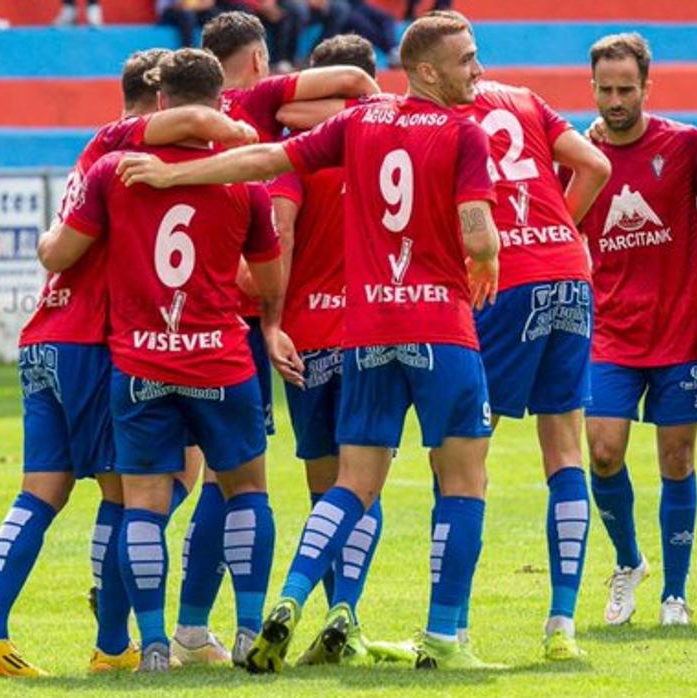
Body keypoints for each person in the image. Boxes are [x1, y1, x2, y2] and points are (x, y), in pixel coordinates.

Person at [118, 13, 503, 672]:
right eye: (467, 59)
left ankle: (291, 598)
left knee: (349, 485)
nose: (478, 70)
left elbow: (268, 157)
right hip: (440, 326)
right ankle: (443, 637)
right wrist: (488, 255)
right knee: (464, 479)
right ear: (428, 71)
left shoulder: (358, 125)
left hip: (368, 331)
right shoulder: (464, 132)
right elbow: (477, 233)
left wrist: (173, 176)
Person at [0, 48, 256, 679]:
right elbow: (199, 124)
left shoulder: (89, 161)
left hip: (43, 337)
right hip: (94, 341)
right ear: (156, 101)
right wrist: (235, 127)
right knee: (146, 490)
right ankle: (113, 639)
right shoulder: (121, 146)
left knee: (44, 491)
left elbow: (54, 249)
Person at [41, 47, 299, 673]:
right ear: (220, 102)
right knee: (246, 492)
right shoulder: (244, 183)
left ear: (160, 102)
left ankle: (152, 644)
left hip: (140, 363)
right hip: (220, 362)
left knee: (145, 504)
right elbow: (266, 282)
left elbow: (65, 253)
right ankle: (244, 630)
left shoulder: (113, 171)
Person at [167, 9, 379, 668]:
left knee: (206, 481)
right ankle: (266, 622)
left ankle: (183, 631)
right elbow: (349, 83)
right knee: (321, 479)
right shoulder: (261, 107)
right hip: (260, 315)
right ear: (260, 60)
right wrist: (367, 103)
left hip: (178, 315)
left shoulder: (170, 118)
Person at [456, 45, 610, 664]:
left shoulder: (448, 115)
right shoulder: (527, 100)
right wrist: (564, 230)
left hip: (505, 280)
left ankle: (452, 626)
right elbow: (595, 165)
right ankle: (561, 624)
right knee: (565, 448)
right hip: (569, 277)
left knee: (465, 451)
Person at [579, 32, 697, 628]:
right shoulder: (580, 158)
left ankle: (674, 595)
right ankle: (629, 563)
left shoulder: (685, 146)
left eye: (625, 89)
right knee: (603, 452)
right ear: (593, 87)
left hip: (680, 332)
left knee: (676, 461)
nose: (614, 100)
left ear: (647, 87)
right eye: (605, 89)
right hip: (609, 334)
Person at [268, 33, 388, 667]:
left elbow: (281, 231)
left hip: (307, 337)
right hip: (375, 333)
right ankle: (346, 611)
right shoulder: (395, 137)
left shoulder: (299, 156)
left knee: (327, 492)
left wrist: (273, 322)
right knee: (362, 489)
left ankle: (330, 611)